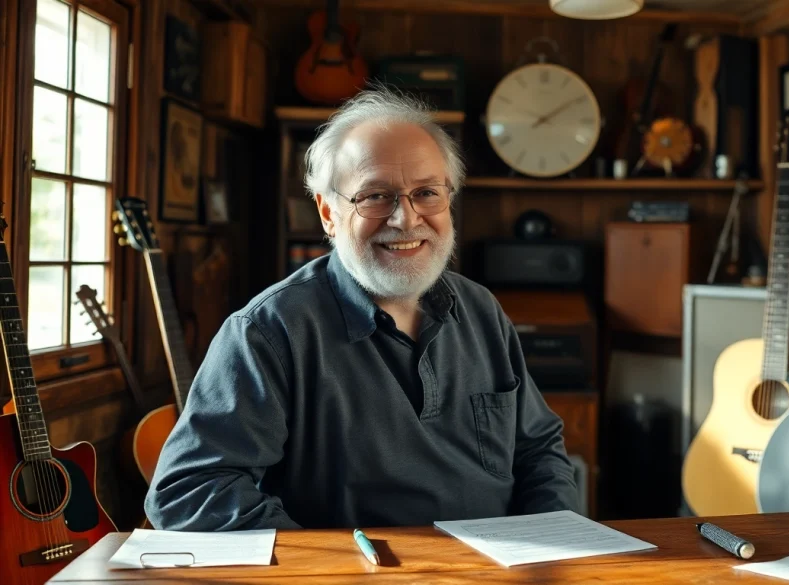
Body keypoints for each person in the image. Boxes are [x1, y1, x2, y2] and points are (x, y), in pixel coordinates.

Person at [144, 87, 579, 531]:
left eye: (426, 192)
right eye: (375, 196)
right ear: (328, 212)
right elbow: (190, 491)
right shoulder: (269, 331)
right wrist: (330, 570)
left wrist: (555, 541)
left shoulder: (481, 310)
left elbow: (538, 449)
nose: (406, 219)